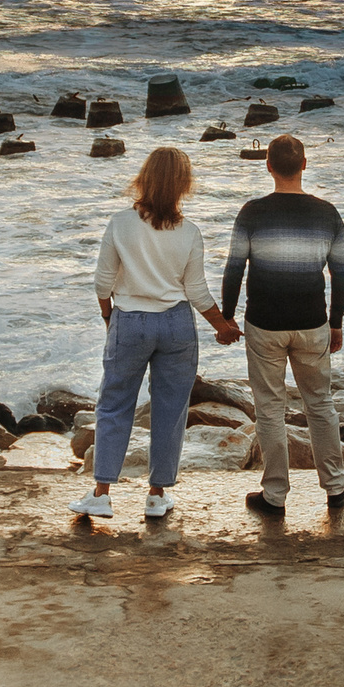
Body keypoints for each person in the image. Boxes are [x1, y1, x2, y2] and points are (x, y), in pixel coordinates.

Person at [74, 145, 240, 521]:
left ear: (144, 178)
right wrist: (223, 327)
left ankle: (101, 493)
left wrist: (110, 320)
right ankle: (156, 494)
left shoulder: (120, 223)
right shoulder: (190, 232)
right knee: (170, 409)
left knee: (114, 405)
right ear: (183, 185)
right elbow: (197, 291)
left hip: (130, 320)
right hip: (177, 325)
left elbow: (102, 284)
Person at [220, 132, 344, 516]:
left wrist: (227, 315)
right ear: (305, 166)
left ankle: (275, 494)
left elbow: (234, 268)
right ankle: (336, 487)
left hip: (265, 323)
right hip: (312, 322)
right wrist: (336, 322)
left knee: (270, 408)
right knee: (320, 404)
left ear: (269, 166)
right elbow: (341, 274)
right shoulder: (327, 213)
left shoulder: (252, 212)